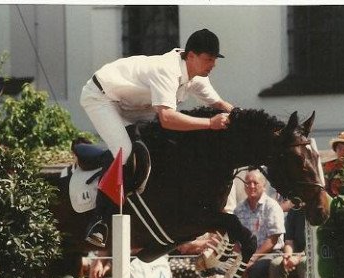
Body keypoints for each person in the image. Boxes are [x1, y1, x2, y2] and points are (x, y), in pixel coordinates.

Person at [80, 28, 233, 248]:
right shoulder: (167, 70)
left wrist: (251, 120)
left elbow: (221, 105)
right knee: (126, 153)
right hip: (101, 98)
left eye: (215, 59)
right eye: (209, 59)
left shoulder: (196, 76)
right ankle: (99, 221)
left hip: (131, 105)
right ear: (191, 56)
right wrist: (210, 123)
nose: (213, 64)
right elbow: (168, 119)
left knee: (165, 144)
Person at [233, 169, 285, 278]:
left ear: (263, 185)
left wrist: (252, 258)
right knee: (223, 269)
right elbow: (235, 240)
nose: (251, 186)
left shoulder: (272, 206)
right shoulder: (238, 210)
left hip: (270, 254)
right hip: (246, 256)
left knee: (256, 270)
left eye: (255, 183)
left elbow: (273, 239)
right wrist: (240, 260)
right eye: (248, 183)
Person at [268, 207, 307, 278]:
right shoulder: (294, 211)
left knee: (304, 263)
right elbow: (289, 241)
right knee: (275, 264)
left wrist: (297, 258)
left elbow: (313, 244)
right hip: (295, 253)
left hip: (310, 254)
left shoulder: (316, 210)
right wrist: (287, 256)